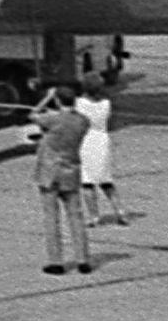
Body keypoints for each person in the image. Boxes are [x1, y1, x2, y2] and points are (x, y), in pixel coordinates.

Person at [29, 86, 95, 274]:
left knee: (51, 218)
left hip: (50, 171)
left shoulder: (52, 119)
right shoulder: (82, 121)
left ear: (57, 101)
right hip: (70, 169)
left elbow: (32, 115)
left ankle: (56, 261)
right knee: (76, 216)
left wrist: (47, 97)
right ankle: (83, 259)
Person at [76, 75, 125, 222]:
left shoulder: (79, 103)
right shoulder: (106, 104)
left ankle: (93, 215)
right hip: (102, 139)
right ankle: (120, 211)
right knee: (105, 179)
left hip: (85, 140)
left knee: (87, 181)